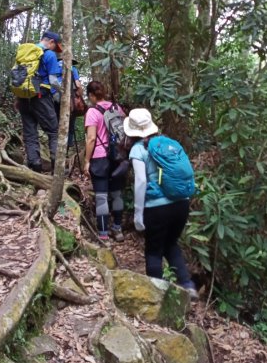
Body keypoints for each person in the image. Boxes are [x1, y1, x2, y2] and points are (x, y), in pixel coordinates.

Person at [123, 108, 198, 299]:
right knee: (171, 244)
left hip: (157, 208)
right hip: (181, 203)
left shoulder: (138, 149)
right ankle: (187, 284)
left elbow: (140, 182)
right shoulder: (168, 143)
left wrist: (138, 214)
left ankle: (157, 296)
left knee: (154, 250)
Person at [84, 81, 126, 242]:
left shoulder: (93, 112)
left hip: (100, 157)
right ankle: (117, 229)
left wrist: (87, 161)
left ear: (92, 96)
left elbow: (91, 138)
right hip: (118, 156)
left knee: (101, 197)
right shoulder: (117, 108)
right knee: (117, 194)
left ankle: (103, 234)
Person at [16, 31, 62, 173]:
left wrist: (17, 98)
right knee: (53, 132)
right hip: (41, 96)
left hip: (24, 97)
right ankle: (57, 168)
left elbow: (18, 78)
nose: (55, 50)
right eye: (56, 46)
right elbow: (54, 81)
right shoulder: (49, 54)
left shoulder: (25, 53)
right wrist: (61, 97)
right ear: (51, 42)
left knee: (30, 132)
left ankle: (34, 166)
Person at [54, 56, 84, 148]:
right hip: (68, 97)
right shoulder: (72, 68)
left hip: (55, 96)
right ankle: (69, 144)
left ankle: (56, 144)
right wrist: (80, 96)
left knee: (57, 119)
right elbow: (78, 84)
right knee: (71, 121)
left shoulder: (55, 67)